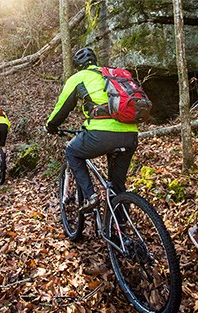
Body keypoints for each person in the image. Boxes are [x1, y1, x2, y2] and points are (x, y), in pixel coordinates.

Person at [46, 47, 138, 212]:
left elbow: (62, 108)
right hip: (131, 134)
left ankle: (91, 196)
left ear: (78, 66)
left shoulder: (79, 77)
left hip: (101, 134)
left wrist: (51, 125)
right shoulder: (110, 74)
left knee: (72, 152)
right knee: (117, 184)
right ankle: (120, 227)